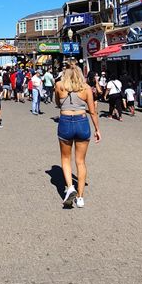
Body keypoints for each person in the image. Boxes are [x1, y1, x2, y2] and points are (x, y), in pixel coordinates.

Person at [55, 63, 101, 209]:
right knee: (80, 161)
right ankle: (80, 197)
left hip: (65, 121)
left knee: (65, 158)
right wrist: (97, 129)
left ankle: (70, 187)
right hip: (82, 121)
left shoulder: (59, 85)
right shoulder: (86, 88)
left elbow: (57, 103)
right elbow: (92, 111)